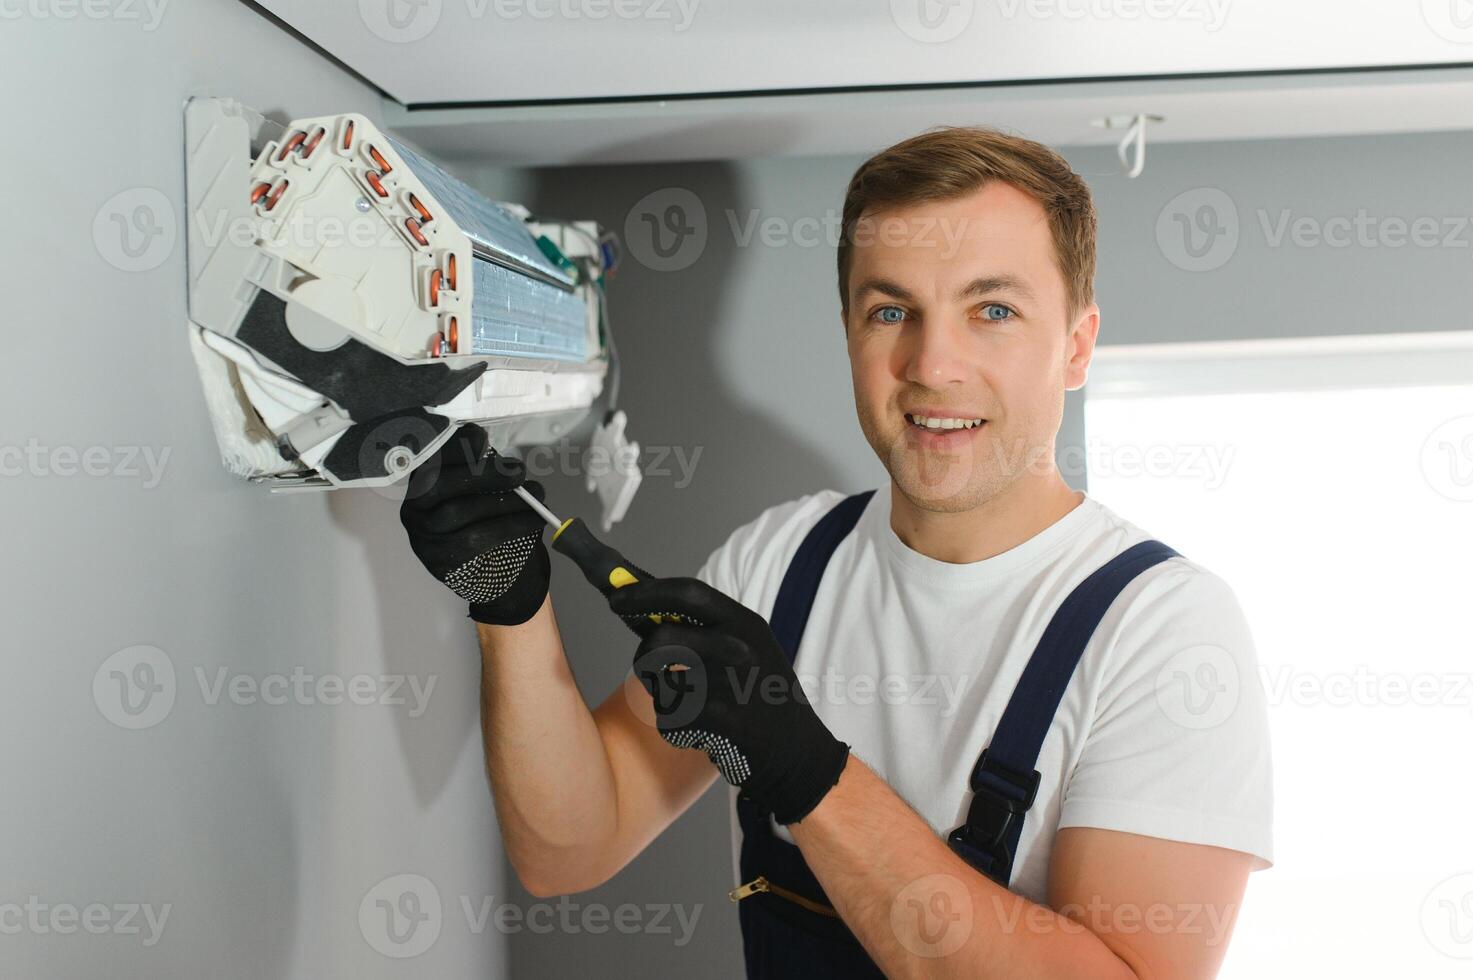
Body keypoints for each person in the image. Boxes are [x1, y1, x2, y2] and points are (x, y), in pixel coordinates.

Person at [400, 126, 1273, 979]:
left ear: (1076, 347)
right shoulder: (780, 561)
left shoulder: (1163, 630)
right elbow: (568, 849)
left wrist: (807, 771)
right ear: (849, 330)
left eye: (993, 311)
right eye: (891, 310)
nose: (932, 364)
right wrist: (509, 609)